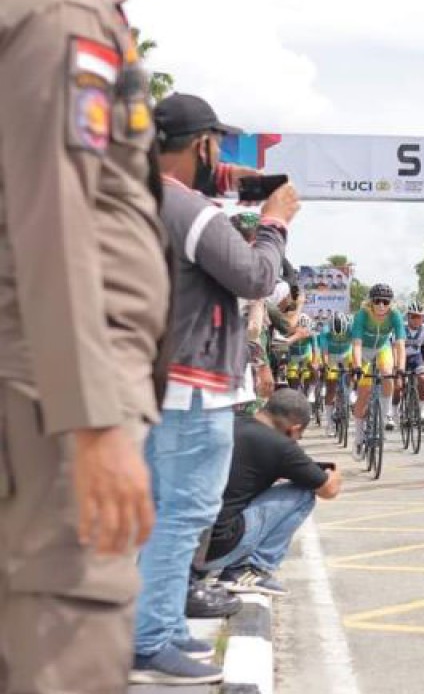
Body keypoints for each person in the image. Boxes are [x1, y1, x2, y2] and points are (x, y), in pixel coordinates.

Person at [0, 0, 173, 689]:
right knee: (69, 645)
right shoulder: (65, 7)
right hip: (54, 401)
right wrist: (94, 419)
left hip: (51, 393)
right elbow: (56, 217)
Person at [133, 93, 298, 684]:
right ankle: (151, 640)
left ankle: (159, 627)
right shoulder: (192, 211)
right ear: (201, 144)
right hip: (194, 384)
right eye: (216, 146)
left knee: (161, 512)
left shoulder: (142, 197)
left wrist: (240, 187)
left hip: (157, 377)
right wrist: (275, 222)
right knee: (186, 512)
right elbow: (255, 274)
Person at [196, 390, 340, 599]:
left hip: (192, 546)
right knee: (303, 493)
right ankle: (252, 568)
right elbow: (329, 490)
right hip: (219, 548)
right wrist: (336, 472)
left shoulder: (234, 422)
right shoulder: (281, 446)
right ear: (294, 429)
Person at [350, 284, 406, 448]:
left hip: (382, 348)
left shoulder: (395, 315)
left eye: (385, 302)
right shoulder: (362, 315)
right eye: (377, 301)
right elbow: (357, 345)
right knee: (364, 392)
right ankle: (358, 437)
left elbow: (400, 344)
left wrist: (401, 368)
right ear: (371, 302)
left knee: (388, 374)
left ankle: (385, 413)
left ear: (390, 303)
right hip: (364, 351)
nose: (381, 305)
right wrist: (358, 366)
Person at [402, 302, 424, 421]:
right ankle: (395, 411)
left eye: (420, 317)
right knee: (397, 384)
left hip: (416, 357)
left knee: (422, 379)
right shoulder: (400, 327)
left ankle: (422, 411)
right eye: (414, 316)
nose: (417, 320)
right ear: (408, 317)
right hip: (401, 357)